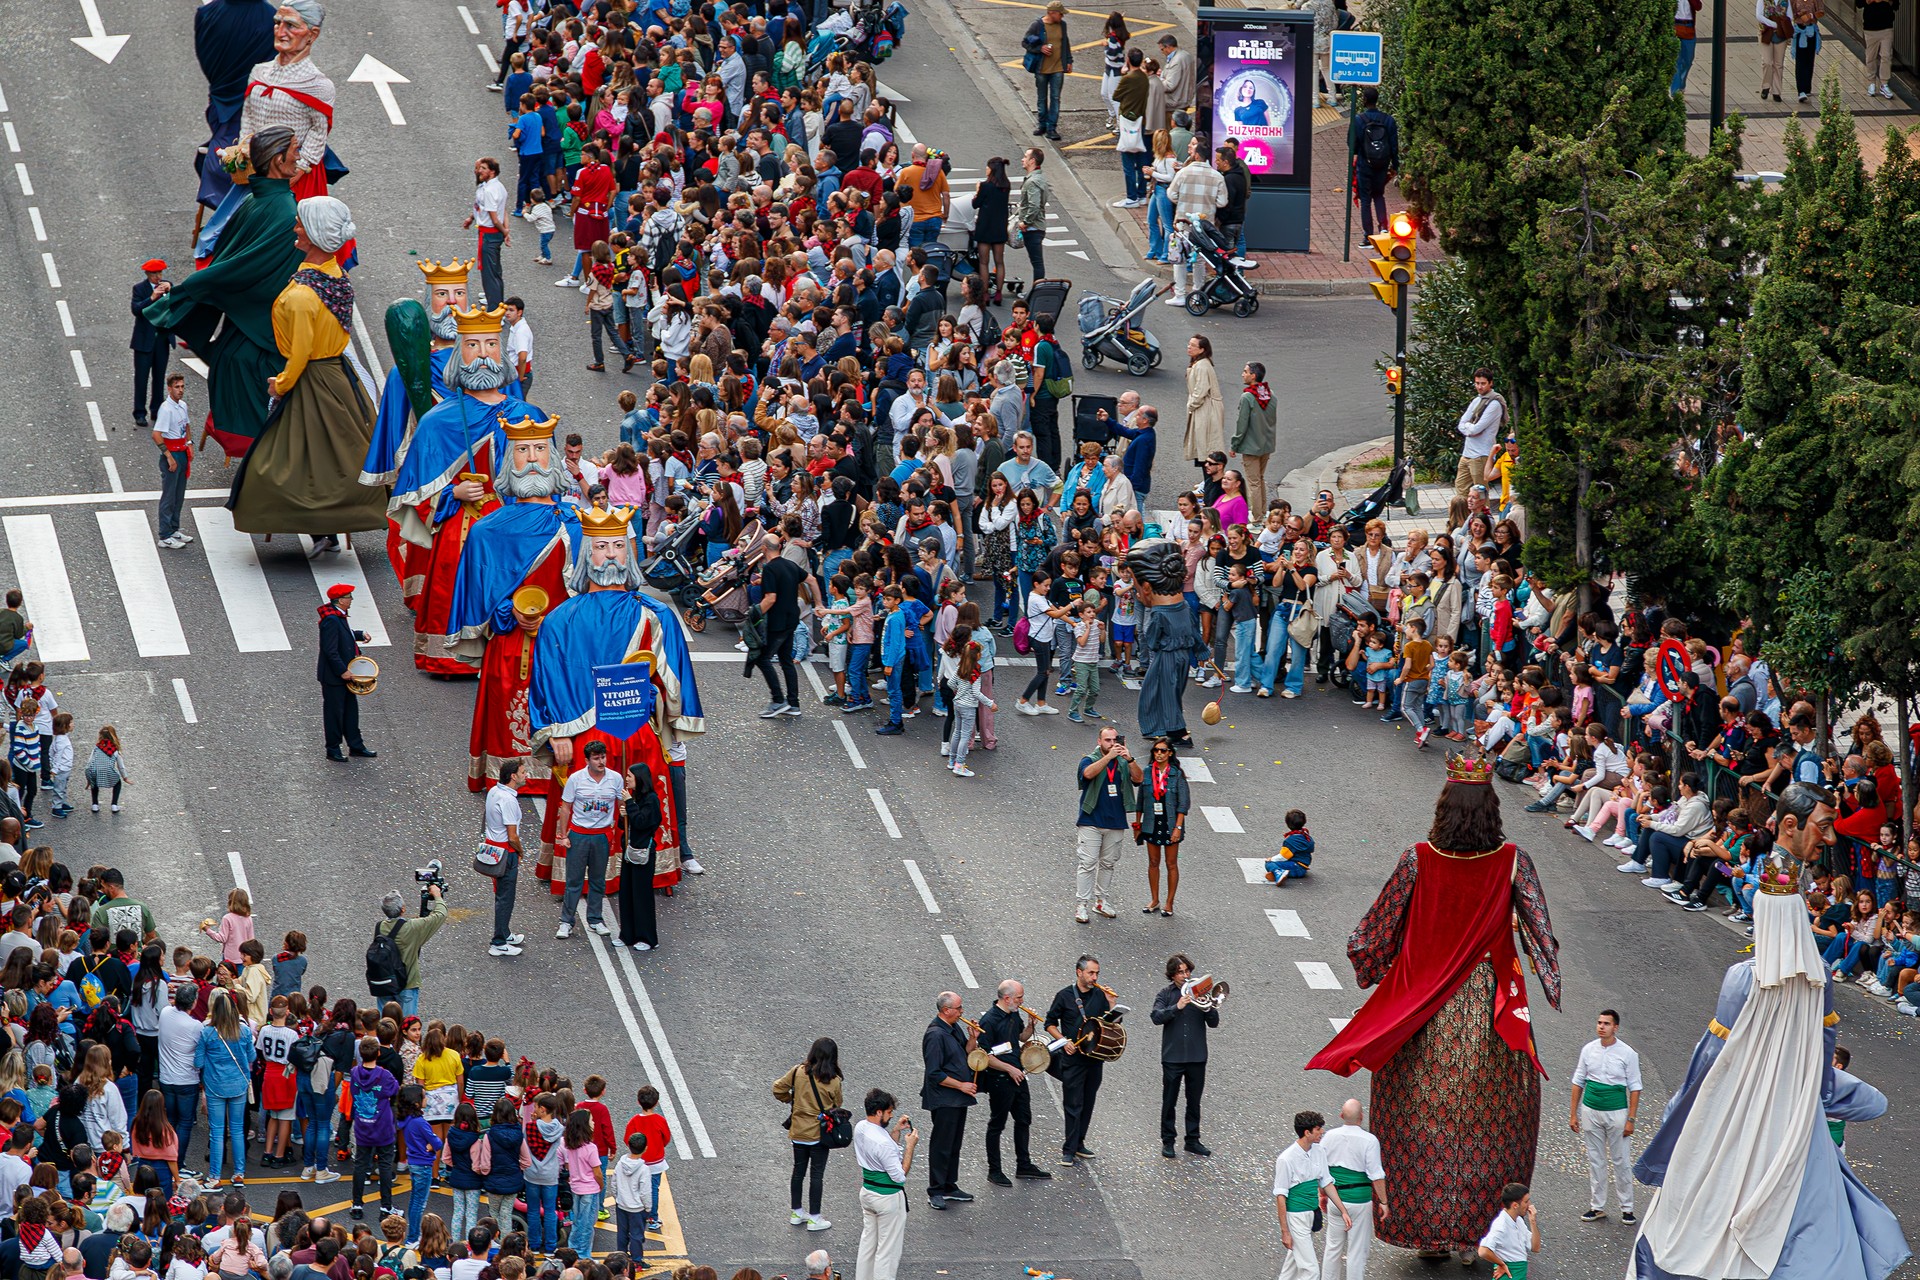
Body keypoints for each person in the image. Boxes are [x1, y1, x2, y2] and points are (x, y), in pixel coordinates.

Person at [1628, 814, 1908, 1280]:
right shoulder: (1819, 984)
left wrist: (1684, 1104)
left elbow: (1713, 1057)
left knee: (1695, 1212)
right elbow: (1820, 1069)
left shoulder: (1743, 978)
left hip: (1739, 1110)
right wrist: (1846, 1096)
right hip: (1796, 1117)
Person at [1308, 755, 1562, 1265]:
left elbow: (1375, 930)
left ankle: (1428, 1232)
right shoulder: (1514, 860)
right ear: (1492, 809)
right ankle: (1478, 1234)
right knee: (1493, 1123)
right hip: (1489, 1010)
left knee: (1419, 1121)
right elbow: (1541, 932)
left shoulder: (1416, 859)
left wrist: (1376, 965)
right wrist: (1547, 977)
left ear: (1444, 807)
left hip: (1421, 1009)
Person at [141, 128, 303, 461]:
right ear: (278, 160)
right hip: (266, 344)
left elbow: (226, 264)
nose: (300, 157)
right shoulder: (287, 213)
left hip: (235, 337)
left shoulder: (252, 202)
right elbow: (249, 272)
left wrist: (184, 293)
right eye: (295, 151)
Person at [230, 195, 386, 537]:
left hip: (312, 379)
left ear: (314, 234)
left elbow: (300, 354)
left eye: (300, 223)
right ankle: (332, 526)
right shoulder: (336, 277)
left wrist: (281, 384)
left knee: (284, 462)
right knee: (343, 454)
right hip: (339, 377)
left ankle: (313, 523)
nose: (295, 228)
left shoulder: (303, 295)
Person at [975, 980, 1050, 1187]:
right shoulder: (989, 1021)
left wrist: (1030, 1026)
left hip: (1017, 1076)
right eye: (1018, 998)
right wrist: (1009, 1068)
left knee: (1024, 1119)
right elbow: (983, 1055)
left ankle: (1023, 1165)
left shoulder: (1013, 1014)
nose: (1022, 1001)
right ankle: (994, 1170)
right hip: (1000, 1079)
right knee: (997, 1124)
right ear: (1006, 998)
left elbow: (1019, 1037)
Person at [1570, 1009, 1640, 1224]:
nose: (1601, 1027)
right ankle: (1597, 1206)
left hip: (1616, 1111)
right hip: (1591, 1110)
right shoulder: (1588, 1050)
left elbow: (1635, 1087)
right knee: (1596, 1159)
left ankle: (1627, 1208)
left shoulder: (1628, 1054)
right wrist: (1573, 1114)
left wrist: (1631, 1119)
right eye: (1599, 1023)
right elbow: (1578, 1081)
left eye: (1606, 1023)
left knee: (1621, 1160)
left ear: (1615, 1027)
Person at [1044, 955, 1115, 1168]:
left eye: (1097, 973)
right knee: (1073, 1104)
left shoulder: (1101, 995)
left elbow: (1109, 1026)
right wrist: (1063, 1040)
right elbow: (1049, 1023)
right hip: (1073, 1058)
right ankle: (1068, 1150)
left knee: (1088, 1101)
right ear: (1079, 972)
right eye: (1091, 973)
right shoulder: (1064, 996)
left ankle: (1080, 1143)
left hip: (1094, 1058)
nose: (1095, 977)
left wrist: (1112, 1005)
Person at [1150, 953, 1217, 1160]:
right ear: (1172, 975)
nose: (1185, 975)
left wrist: (1210, 1003)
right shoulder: (1165, 994)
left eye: (1187, 971)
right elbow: (1156, 1017)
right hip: (1173, 1057)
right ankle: (1168, 1141)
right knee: (1169, 1101)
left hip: (1197, 1056)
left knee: (1194, 1101)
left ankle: (1193, 1140)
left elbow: (1213, 1022)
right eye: (1180, 972)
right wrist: (1177, 1007)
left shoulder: (1200, 993)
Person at [775, 1038, 844, 1231]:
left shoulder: (798, 1072)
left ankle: (797, 1212)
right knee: (816, 1175)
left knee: (798, 1172)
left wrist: (791, 1100)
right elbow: (837, 1104)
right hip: (819, 1134)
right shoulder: (834, 1080)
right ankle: (815, 1217)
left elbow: (777, 1088)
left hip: (798, 1131)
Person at [554, 740, 621, 939]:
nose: (601, 761)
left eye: (603, 757)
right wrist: (563, 835)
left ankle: (595, 919)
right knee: (574, 881)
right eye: (596, 758)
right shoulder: (576, 779)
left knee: (598, 881)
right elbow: (565, 807)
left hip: (601, 835)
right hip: (579, 835)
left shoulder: (615, 778)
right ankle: (566, 922)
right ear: (587, 760)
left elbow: (621, 801)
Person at [1075, 726, 1141, 924]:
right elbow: (1087, 774)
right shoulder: (1090, 759)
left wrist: (1129, 759)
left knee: (1108, 864)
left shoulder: (1124, 762)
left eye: (1115, 740)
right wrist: (1108, 757)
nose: (1112, 744)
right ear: (1099, 742)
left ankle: (1101, 901)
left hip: (1115, 821)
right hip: (1091, 821)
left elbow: (1139, 778)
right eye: (1107, 740)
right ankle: (1081, 905)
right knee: (1087, 864)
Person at [1274, 1109, 1347, 1280]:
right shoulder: (1286, 1159)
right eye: (1318, 1129)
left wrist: (1343, 1210)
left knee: (1292, 1264)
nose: (1322, 1132)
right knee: (1310, 1270)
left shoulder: (1319, 1151)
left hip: (1311, 1213)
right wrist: (1285, 1231)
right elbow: (1280, 1197)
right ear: (1307, 1133)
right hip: (1297, 1216)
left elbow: (1326, 1182)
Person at [919, 993, 976, 1209]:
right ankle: (936, 1190)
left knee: (954, 1143)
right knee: (942, 1145)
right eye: (959, 1008)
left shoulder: (953, 1028)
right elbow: (934, 1073)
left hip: (958, 1098)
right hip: (945, 1099)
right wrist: (961, 1085)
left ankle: (950, 1185)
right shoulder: (935, 1035)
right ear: (946, 1010)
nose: (962, 1012)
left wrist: (972, 1038)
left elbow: (964, 1054)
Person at [1320, 1099, 1388, 1280]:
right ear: (1362, 1117)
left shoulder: (1329, 1137)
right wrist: (1383, 1201)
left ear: (1341, 1116)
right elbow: (1376, 1175)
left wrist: (1322, 1195)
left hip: (1336, 1199)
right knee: (1357, 1251)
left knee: (1332, 1248)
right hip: (1359, 1200)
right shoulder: (1369, 1140)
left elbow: (1322, 1170)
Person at [853, 1089, 916, 1280]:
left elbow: (883, 1153)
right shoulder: (884, 1143)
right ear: (879, 1112)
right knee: (887, 1253)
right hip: (888, 1199)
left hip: (868, 1192)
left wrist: (895, 1130)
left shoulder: (861, 1127)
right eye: (889, 1112)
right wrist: (910, 1147)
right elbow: (899, 1176)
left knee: (868, 1246)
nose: (891, 1115)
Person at [316, 583, 375, 763]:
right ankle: (332, 749)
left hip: (344, 674)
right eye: (349, 597)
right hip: (335, 677)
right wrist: (342, 671)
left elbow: (345, 635)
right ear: (340, 600)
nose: (351, 600)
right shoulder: (332, 620)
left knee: (351, 711)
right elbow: (330, 650)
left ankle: (355, 745)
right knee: (334, 714)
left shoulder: (337, 616)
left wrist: (359, 634)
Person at [369, 885, 447, 1020]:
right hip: (407, 984)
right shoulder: (412, 927)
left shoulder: (379, 926)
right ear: (403, 909)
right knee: (407, 1026)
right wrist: (437, 895)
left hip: (384, 982)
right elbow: (440, 914)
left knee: (386, 1026)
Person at [1135, 737, 1190, 915]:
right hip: (1151, 822)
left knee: (1171, 863)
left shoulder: (1176, 774)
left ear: (1170, 753)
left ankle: (1169, 902)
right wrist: (1138, 825)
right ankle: (1154, 899)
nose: (1159, 753)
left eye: (1163, 750)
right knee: (1153, 862)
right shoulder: (1147, 772)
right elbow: (1141, 801)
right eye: (1156, 750)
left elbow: (1183, 804)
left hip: (1171, 822)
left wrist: (1178, 828)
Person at [481, 760, 527, 957]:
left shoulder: (493, 791)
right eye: (523, 772)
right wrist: (521, 851)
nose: (526, 775)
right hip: (506, 854)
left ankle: (505, 933)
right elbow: (512, 835)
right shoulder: (509, 800)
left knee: (501, 894)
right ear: (513, 777)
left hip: (493, 850)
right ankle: (498, 942)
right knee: (505, 898)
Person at [618, 760, 661, 952]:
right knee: (627, 893)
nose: (626, 779)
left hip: (643, 853)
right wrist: (623, 814)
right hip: (630, 851)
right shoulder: (634, 798)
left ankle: (647, 937)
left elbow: (642, 822)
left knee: (642, 895)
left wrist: (628, 804)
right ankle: (627, 934)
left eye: (629, 776)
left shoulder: (651, 799)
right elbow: (626, 826)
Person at [1348, 87, 1399, 240]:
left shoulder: (1358, 120)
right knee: (1379, 195)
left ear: (1364, 100)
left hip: (1365, 164)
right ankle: (1383, 227)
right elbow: (1394, 145)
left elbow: (1352, 144)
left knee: (1365, 199)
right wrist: (1395, 165)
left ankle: (1368, 235)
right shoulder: (1388, 120)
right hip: (1382, 164)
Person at [152, 374, 194, 549]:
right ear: (169, 388)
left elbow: (187, 426)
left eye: (182, 387)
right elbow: (156, 435)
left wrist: (189, 443)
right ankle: (164, 535)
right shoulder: (166, 409)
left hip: (182, 452)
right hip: (173, 455)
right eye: (177, 387)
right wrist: (169, 457)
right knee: (169, 496)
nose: (180, 390)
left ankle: (174, 528)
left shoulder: (182, 405)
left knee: (179, 494)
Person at [130, 260, 173, 428]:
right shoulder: (139, 289)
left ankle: (157, 409)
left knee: (159, 377)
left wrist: (169, 293)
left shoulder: (167, 286)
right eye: (155, 274)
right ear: (148, 275)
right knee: (141, 378)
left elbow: (175, 303)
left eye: (160, 273)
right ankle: (140, 412)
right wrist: (152, 297)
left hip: (162, 341)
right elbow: (136, 310)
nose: (158, 277)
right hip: (143, 342)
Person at [1022, 2, 1073, 141]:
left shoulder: (1062, 25)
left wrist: (1069, 61)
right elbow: (1025, 42)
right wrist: (1040, 49)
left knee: (1055, 98)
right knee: (1042, 98)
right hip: (1042, 68)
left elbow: (1065, 44)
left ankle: (1052, 128)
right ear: (1051, 13)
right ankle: (1042, 124)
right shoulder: (1037, 25)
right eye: (1060, 13)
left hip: (1057, 68)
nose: (1062, 16)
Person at [465, 158, 511, 309]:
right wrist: (472, 218)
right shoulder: (497, 187)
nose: (479, 171)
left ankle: (495, 309)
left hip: (489, 235)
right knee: (494, 271)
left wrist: (505, 232)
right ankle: (493, 298)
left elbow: (494, 217)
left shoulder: (490, 191)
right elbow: (502, 210)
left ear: (492, 171)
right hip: (491, 233)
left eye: (483, 168)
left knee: (490, 274)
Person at [1454, 369, 1506, 498]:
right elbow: (1462, 424)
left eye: (1483, 383)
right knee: (1461, 491)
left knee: (1480, 493)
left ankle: (1483, 518)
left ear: (1490, 383)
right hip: (1467, 453)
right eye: (1477, 383)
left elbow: (1476, 429)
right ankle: (1464, 517)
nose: (1479, 386)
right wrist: (1469, 428)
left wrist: (1469, 428)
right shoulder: (1477, 400)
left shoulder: (1494, 404)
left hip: (1481, 454)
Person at [1230, 362, 1275, 505]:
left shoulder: (1247, 397)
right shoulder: (1270, 394)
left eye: (1245, 371)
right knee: (1260, 479)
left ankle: (1256, 518)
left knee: (1253, 483)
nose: (1242, 374)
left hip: (1251, 447)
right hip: (1266, 445)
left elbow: (1241, 424)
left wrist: (1234, 445)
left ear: (1253, 376)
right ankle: (1261, 512)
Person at [1478, 1183, 1539, 1279]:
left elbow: (1535, 1248)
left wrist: (1533, 1222)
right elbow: (1483, 1251)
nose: (1529, 1205)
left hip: (1519, 1274)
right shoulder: (1501, 1226)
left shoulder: (1518, 1220)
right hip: (1511, 1274)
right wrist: (1501, 1264)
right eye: (1526, 1201)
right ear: (1515, 1205)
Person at [1182, 335, 1225, 465]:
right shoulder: (1200, 363)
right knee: (1204, 445)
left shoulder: (1201, 366)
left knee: (1206, 447)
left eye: (1193, 345)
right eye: (1189, 344)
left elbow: (1200, 391)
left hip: (1206, 410)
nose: (1189, 347)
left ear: (1202, 349)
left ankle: (1210, 481)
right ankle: (1207, 481)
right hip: (1205, 408)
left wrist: (1191, 405)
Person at [1015, 149, 1050, 285]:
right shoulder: (1039, 178)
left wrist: (1025, 222)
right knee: (1037, 263)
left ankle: (1038, 291)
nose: (1022, 159)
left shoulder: (1032, 182)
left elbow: (1034, 206)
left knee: (1037, 263)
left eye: (1025, 157)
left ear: (1032, 161)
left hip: (1033, 228)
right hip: (1037, 227)